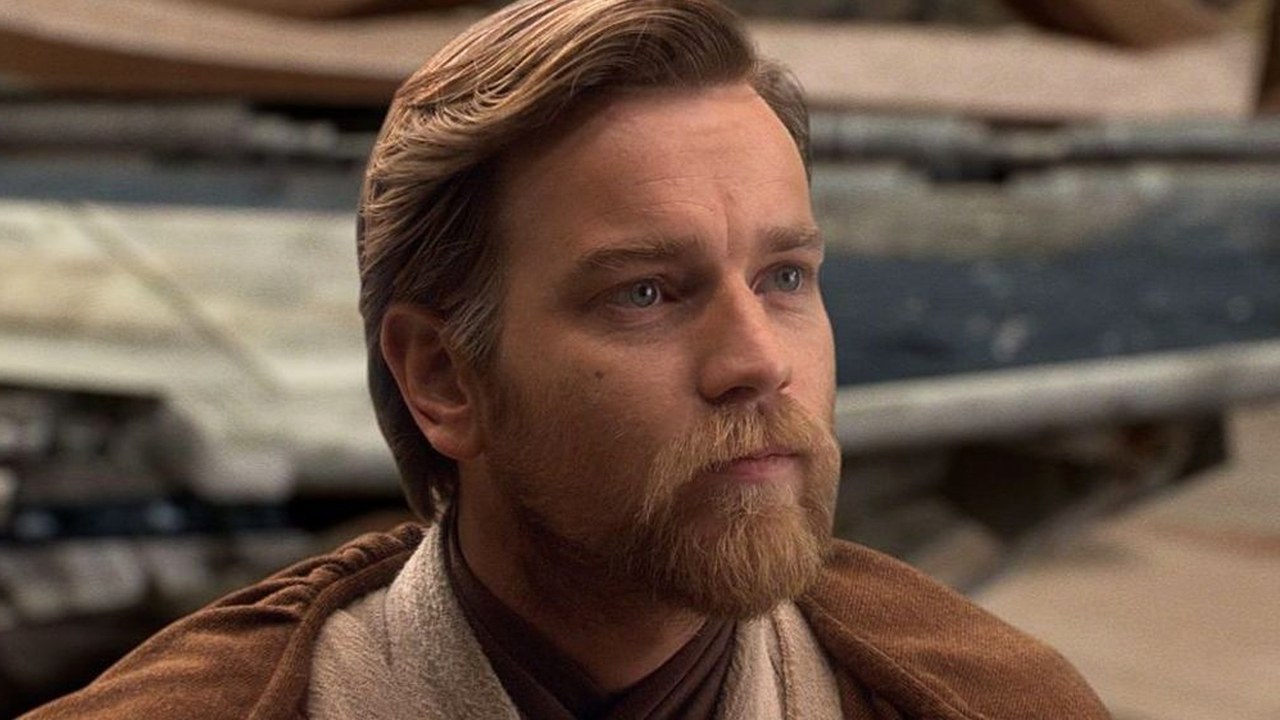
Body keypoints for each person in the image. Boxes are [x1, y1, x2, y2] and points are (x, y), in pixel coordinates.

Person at [24, 0, 1110, 718]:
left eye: (784, 277)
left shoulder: (989, 701)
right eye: (645, 293)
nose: (756, 361)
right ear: (442, 377)